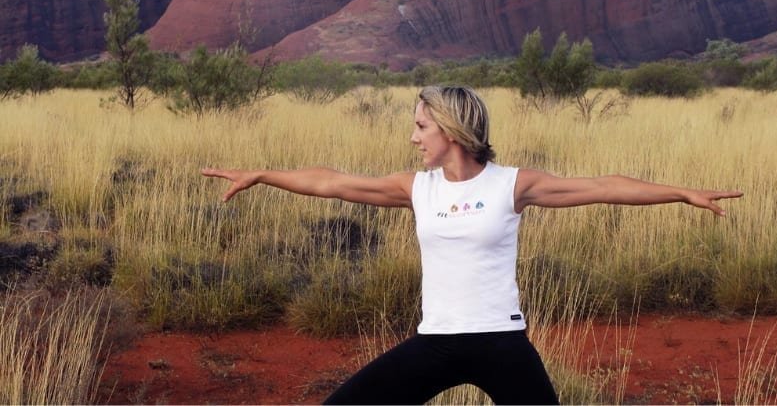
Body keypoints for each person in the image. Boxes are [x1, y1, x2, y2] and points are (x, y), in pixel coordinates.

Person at [202, 86, 742, 405]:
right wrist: (263, 174)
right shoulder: (417, 188)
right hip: (435, 342)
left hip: (501, 344)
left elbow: (604, 187)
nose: (413, 137)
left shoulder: (512, 184)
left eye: (420, 126)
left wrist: (680, 193)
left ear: (450, 130)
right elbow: (333, 181)